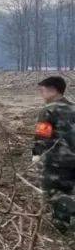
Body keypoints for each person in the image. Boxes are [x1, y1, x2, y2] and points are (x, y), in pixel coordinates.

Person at [32, 76, 75, 234]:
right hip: (72, 159)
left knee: (52, 192)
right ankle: (60, 223)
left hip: (57, 160)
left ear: (53, 90)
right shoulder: (73, 108)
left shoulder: (48, 110)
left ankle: (66, 215)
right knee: (66, 189)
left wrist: (36, 154)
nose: (41, 93)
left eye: (42, 90)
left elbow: (42, 135)